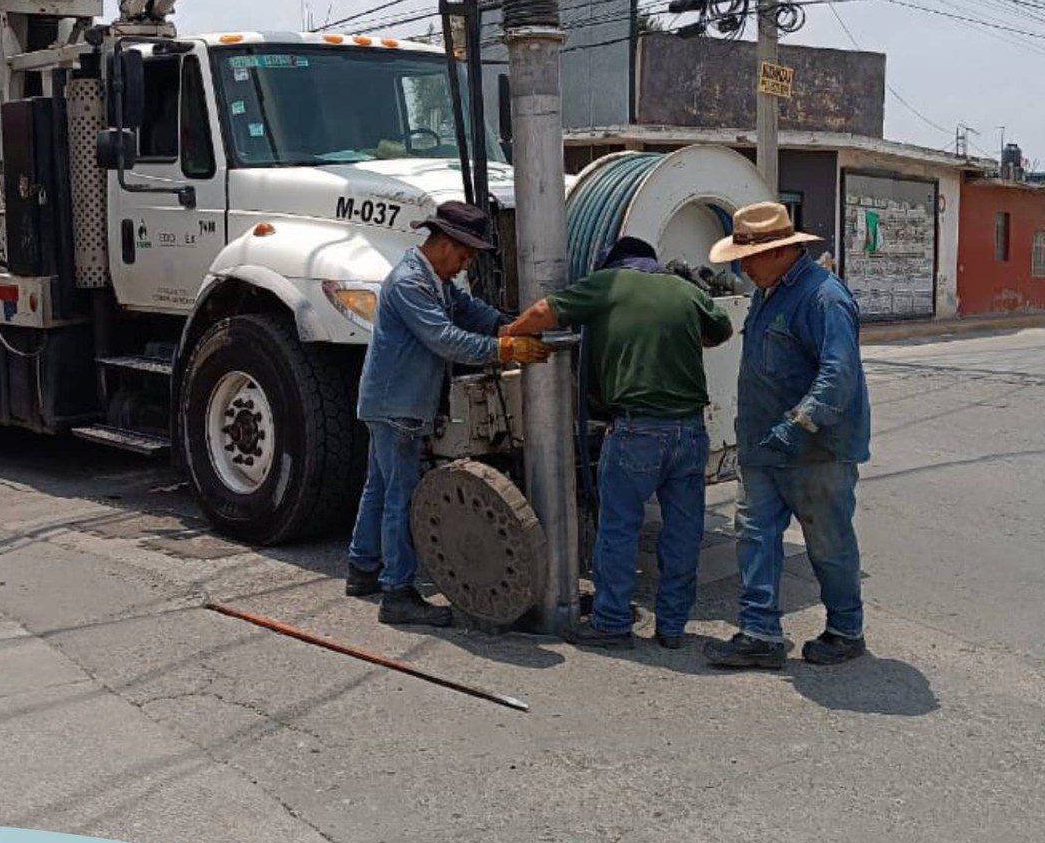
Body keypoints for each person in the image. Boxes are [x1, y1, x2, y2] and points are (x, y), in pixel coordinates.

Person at [504, 235, 732, 650]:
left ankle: (611, 623)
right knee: (682, 532)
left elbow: (544, 311)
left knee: (619, 529)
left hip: (637, 431)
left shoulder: (606, 283)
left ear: (616, 263)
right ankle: (672, 627)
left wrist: (509, 336)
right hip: (691, 431)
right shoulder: (684, 290)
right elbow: (721, 329)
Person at [347, 200, 548, 627]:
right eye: (462, 255)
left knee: (380, 487)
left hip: (392, 401)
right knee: (400, 496)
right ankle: (397, 593)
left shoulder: (434, 280)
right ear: (441, 244)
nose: (463, 264)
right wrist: (504, 348)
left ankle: (362, 568)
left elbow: (468, 312)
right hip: (397, 405)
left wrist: (509, 325)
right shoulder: (409, 284)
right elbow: (445, 339)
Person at [704, 201, 873, 670]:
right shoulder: (768, 290)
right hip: (763, 445)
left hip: (817, 450)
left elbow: (839, 375)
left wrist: (799, 424)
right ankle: (759, 632)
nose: (740, 265)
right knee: (755, 534)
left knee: (828, 541)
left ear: (779, 252)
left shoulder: (825, 298)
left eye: (747, 255)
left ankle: (845, 630)